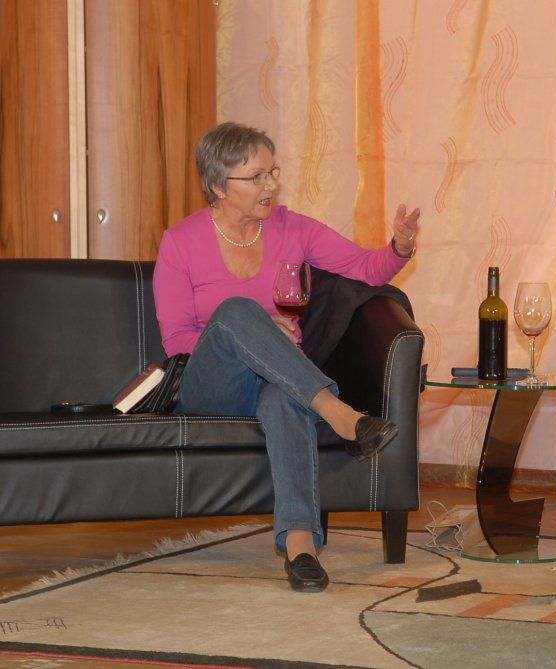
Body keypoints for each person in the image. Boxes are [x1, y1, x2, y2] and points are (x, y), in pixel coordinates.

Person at [152, 122, 420, 593]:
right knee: (237, 312)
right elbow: (177, 341)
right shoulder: (180, 242)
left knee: (284, 397)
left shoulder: (292, 228)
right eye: (255, 177)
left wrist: (399, 246)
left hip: (281, 381)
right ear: (219, 186)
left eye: (272, 172)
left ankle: (301, 548)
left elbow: (365, 267)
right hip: (212, 385)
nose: (270, 186)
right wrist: (247, 332)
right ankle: (340, 413)